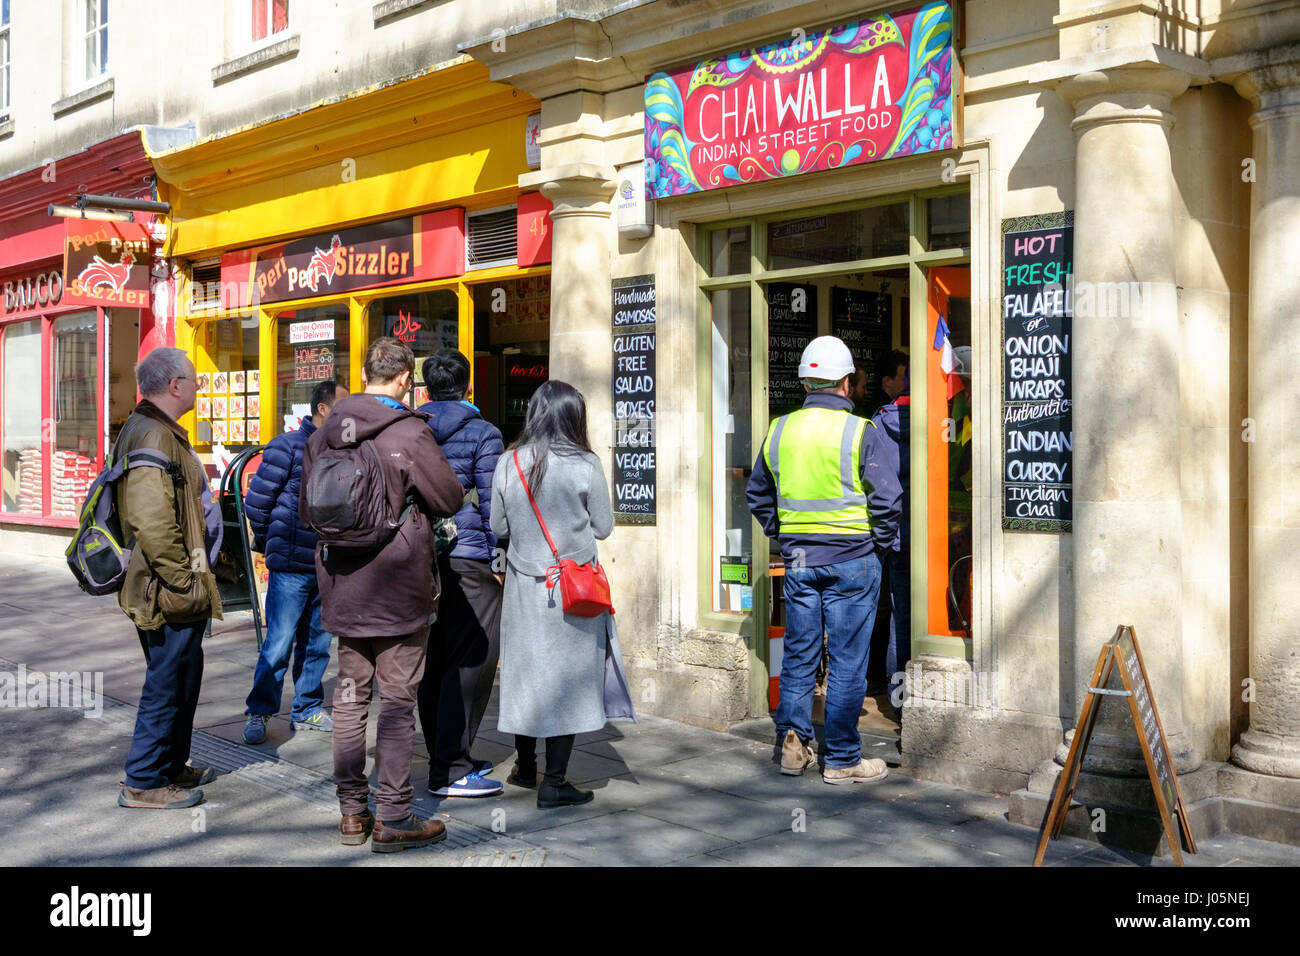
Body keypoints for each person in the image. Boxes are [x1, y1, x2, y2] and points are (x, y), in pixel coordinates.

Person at [299, 337, 464, 852]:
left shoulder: (326, 433)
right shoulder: (409, 432)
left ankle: (352, 813)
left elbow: (308, 512)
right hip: (399, 588)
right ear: (403, 381)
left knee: (350, 698)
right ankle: (394, 815)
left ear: (364, 375)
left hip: (344, 586)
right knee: (397, 701)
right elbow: (449, 497)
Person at [747, 336, 902, 784]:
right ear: (847, 382)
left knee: (799, 656)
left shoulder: (779, 430)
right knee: (848, 663)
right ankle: (841, 759)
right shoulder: (859, 431)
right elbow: (887, 499)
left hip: (799, 562)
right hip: (854, 559)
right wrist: (880, 543)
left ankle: (793, 748)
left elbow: (758, 494)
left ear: (805, 380)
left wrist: (785, 536)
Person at [490, 380, 635, 809]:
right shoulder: (586, 464)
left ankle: (525, 766)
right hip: (571, 590)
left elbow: (499, 527)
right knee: (567, 679)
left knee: (526, 672)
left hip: (522, 588)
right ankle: (555, 781)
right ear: (574, 416)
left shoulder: (508, 461)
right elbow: (604, 527)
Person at [114, 348, 223, 809]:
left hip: (176, 582)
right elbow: (151, 520)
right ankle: (142, 781)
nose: (199, 386)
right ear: (175, 385)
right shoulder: (153, 435)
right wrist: (185, 579)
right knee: (166, 680)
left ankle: (170, 765)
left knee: (183, 675)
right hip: (166, 587)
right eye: (195, 380)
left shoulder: (159, 431)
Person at [416, 349, 505, 798]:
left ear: (426, 390)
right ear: (469, 387)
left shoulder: (411, 428)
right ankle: (451, 766)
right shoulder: (484, 432)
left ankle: (444, 752)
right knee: (472, 658)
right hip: (469, 558)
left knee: (431, 658)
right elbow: (493, 506)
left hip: (418, 560)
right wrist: (499, 560)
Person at [241, 379, 348, 745]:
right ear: (323, 408)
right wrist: (273, 539)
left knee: (317, 643)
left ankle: (306, 708)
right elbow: (256, 504)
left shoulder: (342, 451)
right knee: (280, 642)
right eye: (341, 406)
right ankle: (259, 711)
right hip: (290, 565)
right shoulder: (286, 447)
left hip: (328, 563)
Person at [871, 350, 911, 713]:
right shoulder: (938, 414)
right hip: (940, 535)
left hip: (897, 536)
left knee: (901, 616)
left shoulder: (877, 426)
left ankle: (899, 705)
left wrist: (882, 537)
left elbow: (874, 486)